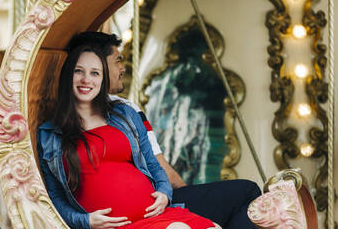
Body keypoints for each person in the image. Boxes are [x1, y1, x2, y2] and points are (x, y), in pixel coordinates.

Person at [66, 31, 262, 229]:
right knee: (247, 192)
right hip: (148, 205)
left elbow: (155, 166)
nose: (122, 68)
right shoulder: (64, 121)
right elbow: (162, 169)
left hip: (155, 198)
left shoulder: (123, 110)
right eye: (117, 60)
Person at [37, 44, 220, 229]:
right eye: (79, 71)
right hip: (116, 226)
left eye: (95, 73)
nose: (86, 79)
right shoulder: (49, 134)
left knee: (213, 228)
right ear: (68, 75)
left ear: (102, 80)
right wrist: (85, 221)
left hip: (156, 215)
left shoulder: (124, 115)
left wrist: (164, 193)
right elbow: (55, 198)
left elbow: (153, 164)